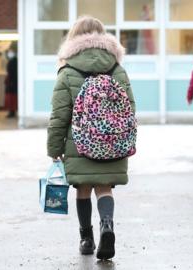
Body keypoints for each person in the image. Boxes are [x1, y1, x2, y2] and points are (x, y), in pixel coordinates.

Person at [47, 16, 135, 260]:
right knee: (105, 187)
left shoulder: (67, 71)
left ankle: (86, 238)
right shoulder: (117, 70)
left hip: (79, 144)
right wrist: (123, 138)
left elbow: (59, 115)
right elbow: (131, 108)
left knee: (83, 189)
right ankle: (107, 225)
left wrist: (54, 147)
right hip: (113, 142)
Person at [4, 43, 18, 118]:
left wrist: (11, 82)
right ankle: (11, 111)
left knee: (12, 98)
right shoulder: (12, 60)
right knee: (11, 98)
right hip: (11, 83)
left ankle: (12, 112)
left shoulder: (14, 61)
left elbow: (12, 73)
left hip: (12, 83)